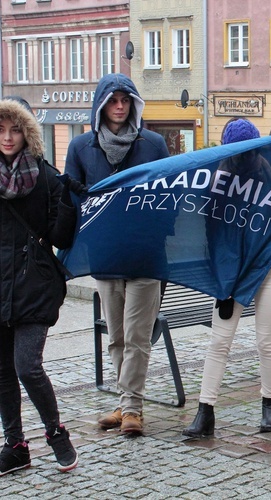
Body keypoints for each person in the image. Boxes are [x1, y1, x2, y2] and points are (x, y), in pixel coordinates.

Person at [65, 73, 170, 435]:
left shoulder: (153, 143)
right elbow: (71, 201)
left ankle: (132, 410)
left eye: (125, 99)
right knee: (116, 336)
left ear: (134, 104)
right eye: (112, 100)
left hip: (145, 253)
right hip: (106, 254)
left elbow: (167, 196)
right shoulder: (81, 147)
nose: (120, 106)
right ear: (101, 105)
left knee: (139, 335)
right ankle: (126, 402)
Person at [182, 119, 271, 437]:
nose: (245, 157)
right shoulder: (217, 179)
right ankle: (205, 412)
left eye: (250, 151)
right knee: (219, 341)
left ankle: (268, 405)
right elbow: (213, 233)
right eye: (239, 152)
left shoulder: (270, 173)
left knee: (266, 340)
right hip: (232, 271)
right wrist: (223, 279)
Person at [0, 97, 80, 475]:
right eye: (1, 129)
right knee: (2, 369)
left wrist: (68, 202)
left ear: (27, 133)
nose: (7, 137)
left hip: (34, 284)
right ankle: (15, 445)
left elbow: (58, 235)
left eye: (15, 129)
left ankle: (55, 432)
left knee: (26, 365)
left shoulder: (46, 177)